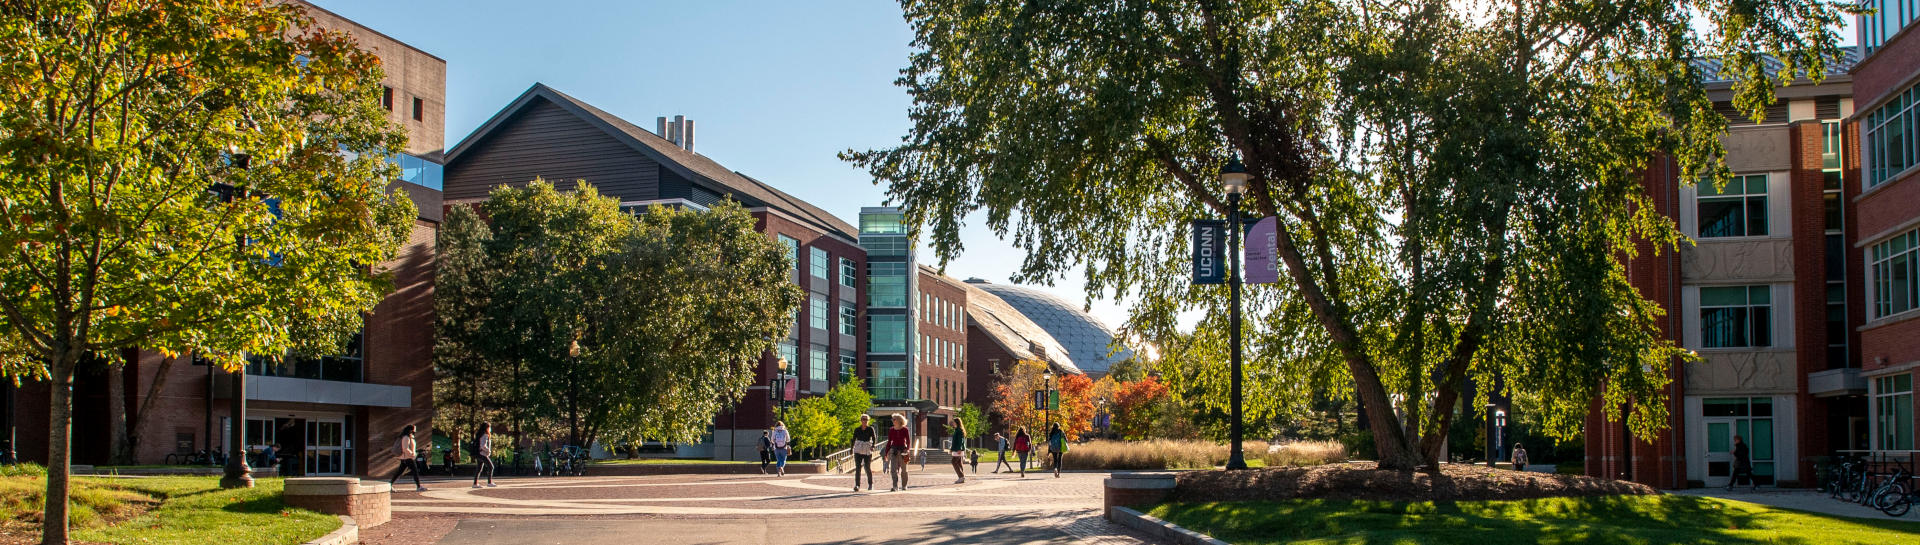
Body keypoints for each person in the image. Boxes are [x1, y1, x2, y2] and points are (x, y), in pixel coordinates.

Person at [389, 424, 426, 491]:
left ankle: (390, 485)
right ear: (410, 430)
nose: (415, 431)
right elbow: (405, 448)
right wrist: (412, 454)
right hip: (408, 458)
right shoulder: (406, 437)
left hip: (406, 458)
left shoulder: (409, 437)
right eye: (414, 429)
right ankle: (419, 486)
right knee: (415, 471)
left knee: (399, 472)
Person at [851, 415, 877, 491]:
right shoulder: (857, 429)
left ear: (868, 420)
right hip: (858, 448)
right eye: (863, 419)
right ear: (861, 420)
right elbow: (853, 439)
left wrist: (873, 446)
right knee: (858, 468)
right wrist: (851, 448)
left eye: (866, 419)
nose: (864, 421)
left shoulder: (870, 429)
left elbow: (874, 438)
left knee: (867, 467)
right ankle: (857, 485)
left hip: (866, 448)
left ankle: (870, 484)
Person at [887, 413, 912, 491]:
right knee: (893, 470)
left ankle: (904, 485)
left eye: (894, 419)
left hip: (903, 451)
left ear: (899, 420)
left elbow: (908, 441)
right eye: (892, 419)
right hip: (894, 450)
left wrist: (907, 449)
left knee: (904, 470)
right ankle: (895, 486)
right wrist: (886, 452)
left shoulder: (905, 429)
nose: (892, 421)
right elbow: (889, 441)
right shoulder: (891, 430)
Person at [472, 422, 497, 488]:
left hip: (478, 453)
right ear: (487, 428)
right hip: (482, 454)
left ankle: (475, 483)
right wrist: (488, 450)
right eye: (489, 427)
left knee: (479, 468)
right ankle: (489, 482)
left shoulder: (479, 434)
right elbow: (483, 445)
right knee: (491, 467)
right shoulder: (485, 435)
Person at [948, 417, 968, 484]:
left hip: (958, 449)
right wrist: (951, 449)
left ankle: (961, 477)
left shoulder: (959, 430)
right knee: (959, 463)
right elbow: (954, 441)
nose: (952, 423)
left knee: (953, 462)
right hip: (956, 449)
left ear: (956, 422)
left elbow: (960, 440)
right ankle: (962, 478)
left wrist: (959, 448)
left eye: (953, 422)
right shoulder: (956, 430)